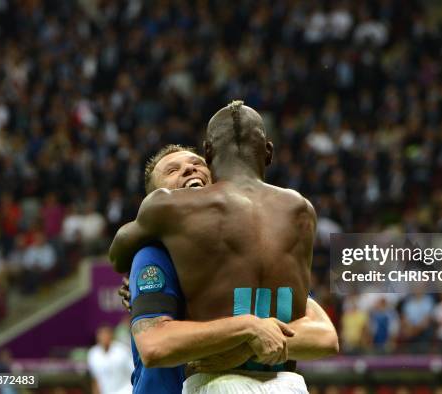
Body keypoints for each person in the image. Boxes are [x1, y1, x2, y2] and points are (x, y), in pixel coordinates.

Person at [110, 101, 328, 392]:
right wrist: (249, 329)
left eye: (197, 163)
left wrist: (249, 338)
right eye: (173, 170)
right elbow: (155, 345)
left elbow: (322, 335)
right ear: (157, 198)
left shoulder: (261, 251)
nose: (189, 171)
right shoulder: (153, 255)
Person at [87, 325, 134, 394]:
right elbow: (95, 379)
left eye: (106, 334)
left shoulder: (122, 350)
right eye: (101, 335)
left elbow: (133, 372)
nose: (104, 337)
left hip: (126, 391)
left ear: (111, 335)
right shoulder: (93, 354)